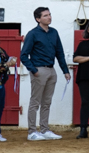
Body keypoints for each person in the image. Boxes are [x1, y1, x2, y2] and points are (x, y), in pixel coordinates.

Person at [20, 7, 71, 141]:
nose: (49, 17)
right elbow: (23, 55)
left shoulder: (54, 32)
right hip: (39, 70)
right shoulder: (32, 34)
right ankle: (32, 131)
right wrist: (34, 70)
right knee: (35, 102)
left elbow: (59, 53)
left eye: (49, 14)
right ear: (38, 19)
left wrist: (65, 71)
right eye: (45, 15)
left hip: (51, 70)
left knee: (47, 102)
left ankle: (44, 129)